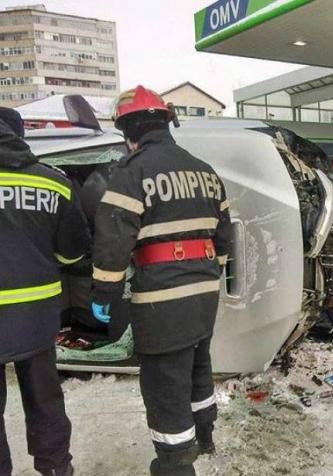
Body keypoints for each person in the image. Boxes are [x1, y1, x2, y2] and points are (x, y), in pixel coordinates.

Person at [90, 86, 232, 476]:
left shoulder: (131, 172)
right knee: (198, 364)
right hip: (205, 292)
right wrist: (208, 272)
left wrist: (105, 293)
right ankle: (204, 436)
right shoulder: (204, 171)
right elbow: (224, 236)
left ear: (129, 130)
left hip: (162, 297)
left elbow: (112, 242)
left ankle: (175, 465)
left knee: (164, 382)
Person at [0, 108, 90, 476]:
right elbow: (73, 251)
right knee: (45, 400)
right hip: (36, 317)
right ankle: (55, 468)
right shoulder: (54, 182)